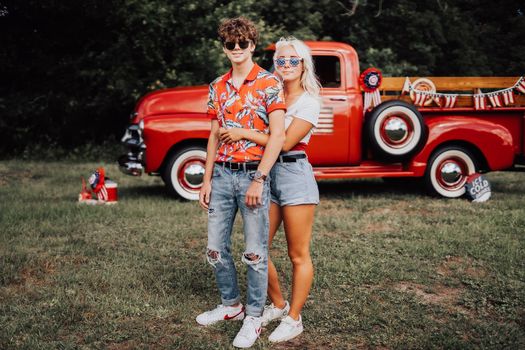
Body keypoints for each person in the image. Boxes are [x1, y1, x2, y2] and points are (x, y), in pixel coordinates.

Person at [219, 36, 321, 343]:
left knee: (297, 253)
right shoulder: (266, 92)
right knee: (256, 249)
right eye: (281, 60)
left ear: (303, 65)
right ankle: (278, 305)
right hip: (262, 171)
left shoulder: (309, 101)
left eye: (293, 61)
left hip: (293, 173)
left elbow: (286, 142)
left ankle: (294, 319)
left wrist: (243, 132)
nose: (286, 65)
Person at [195, 17, 286, 349]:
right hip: (220, 174)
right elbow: (213, 137)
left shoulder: (268, 83)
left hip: (252, 174)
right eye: (230, 44)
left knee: (254, 253)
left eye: (242, 44)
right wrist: (205, 179)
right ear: (224, 47)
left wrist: (260, 179)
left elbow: (277, 137)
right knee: (215, 250)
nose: (236, 49)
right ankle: (231, 306)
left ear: (252, 45)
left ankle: (254, 317)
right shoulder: (217, 86)